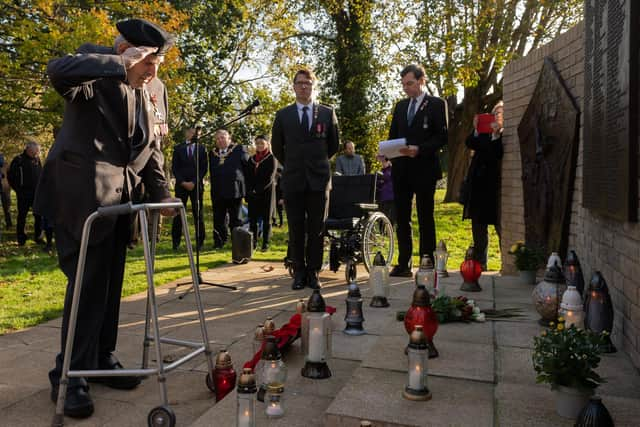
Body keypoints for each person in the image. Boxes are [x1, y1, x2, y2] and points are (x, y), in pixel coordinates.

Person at [34, 18, 177, 419]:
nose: (152, 72)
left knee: (112, 280)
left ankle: (100, 356)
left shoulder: (155, 88)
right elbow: (56, 71)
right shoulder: (92, 65)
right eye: (147, 62)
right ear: (126, 53)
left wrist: (161, 192)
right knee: (87, 283)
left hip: (123, 199)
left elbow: (153, 147)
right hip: (82, 194)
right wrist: (119, 65)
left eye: (157, 64)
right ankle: (69, 372)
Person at [271, 68, 340, 290]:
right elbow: (277, 147)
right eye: (300, 83)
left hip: (319, 180)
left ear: (313, 86)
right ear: (293, 86)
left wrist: (316, 162)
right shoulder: (283, 115)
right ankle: (298, 272)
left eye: (308, 83)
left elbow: (333, 145)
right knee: (296, 228)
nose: (304, 86)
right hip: (293, 179)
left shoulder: (327, 113)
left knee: (317, 228)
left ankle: (314, 272)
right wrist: (294, 164)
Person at [387, 64, 448, 277]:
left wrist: (419, 149)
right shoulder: (401, 107)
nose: (406, 88)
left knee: (425, 216)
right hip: (401, 170)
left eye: (410, 83)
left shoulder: (436, 104)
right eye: (403, 84)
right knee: (402, 218)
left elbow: (442, 137)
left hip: (424, 169)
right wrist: (385, 152)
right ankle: (403, 263)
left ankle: (426, 260)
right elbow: (393, 135)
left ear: (422, 81)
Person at [462, 102, 504, 270]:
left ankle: (506, 264)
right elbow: (470, 142)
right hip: (479, 187)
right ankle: (480, 263)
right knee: (479, 227)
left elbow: (497, 153)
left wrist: (495, 135)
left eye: (499, 114)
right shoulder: (483, 135)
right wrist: (477, 129)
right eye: (494, 114)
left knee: (500, 226)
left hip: (495, 188)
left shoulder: (503, 135)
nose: (496, 117)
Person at [208, 129, 249, 248]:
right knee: (218, 219)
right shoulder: (212, 153)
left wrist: (247, 189)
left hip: (234, 190)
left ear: (229, 138)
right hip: (218, 191)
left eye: (223, 137)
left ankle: (237, 243)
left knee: (235, 219)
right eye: (217, 138)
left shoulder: (239, 149)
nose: (220, 140)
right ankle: (219, 242)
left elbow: (247, 169)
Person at [171, 127, 207, 250]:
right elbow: (175, 168)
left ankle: (200, 242)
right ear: (186, 133)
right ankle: (175, 242)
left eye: (197, 132)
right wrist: (183, 182)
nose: (194, 134)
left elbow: (203, 169)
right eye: (191, 132)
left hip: (196, 186)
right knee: (178, 214)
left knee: (198, 214)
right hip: (181, 187)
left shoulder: (202, 149)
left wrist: (193, 182)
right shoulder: (178, 148)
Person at [8, 141, 43, 245]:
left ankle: (38, 237)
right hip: (23, 194)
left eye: (38, 151)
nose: (37, 153)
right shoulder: (18, 160)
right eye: (35, 151)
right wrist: (18, 190)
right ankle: (21, 238)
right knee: (22, 216)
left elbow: (40, 173)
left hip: (36, 193)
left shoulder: (37, 159)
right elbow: (10, 176)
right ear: (28, 149)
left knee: (38, 216)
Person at [245, 135, 276, 251]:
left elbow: (270, 177)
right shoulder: (251, 159)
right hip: (252, 193)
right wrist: (250, 190)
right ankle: (253, 242)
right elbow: (247, 176)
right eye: (257, 143)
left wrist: (257, 190)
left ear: (267, 144)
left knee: (266, 219)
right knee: (253, 219)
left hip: (266, 192)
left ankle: (265, 243)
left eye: (262, 143)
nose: (259, 146)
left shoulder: (271, 158)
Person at [376, 154, 395, 226]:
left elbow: (387, 177)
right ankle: (383, 230)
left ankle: (388, 229)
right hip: (383, 197)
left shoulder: (391, 170)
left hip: (390, 196)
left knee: (390, 215)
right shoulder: (382, 171)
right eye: (382, 162)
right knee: (383, 214)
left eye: (385, 161)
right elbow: (379, 182)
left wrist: (381, 179)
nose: (383, 163)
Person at [0, 152, 12, 230]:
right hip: (5, 187)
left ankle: (9, 223)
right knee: (6, 207)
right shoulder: (6, 165)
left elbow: (10, 175)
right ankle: (9, 223)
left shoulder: (6, 165)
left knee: (6, 207)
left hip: (5, 187)